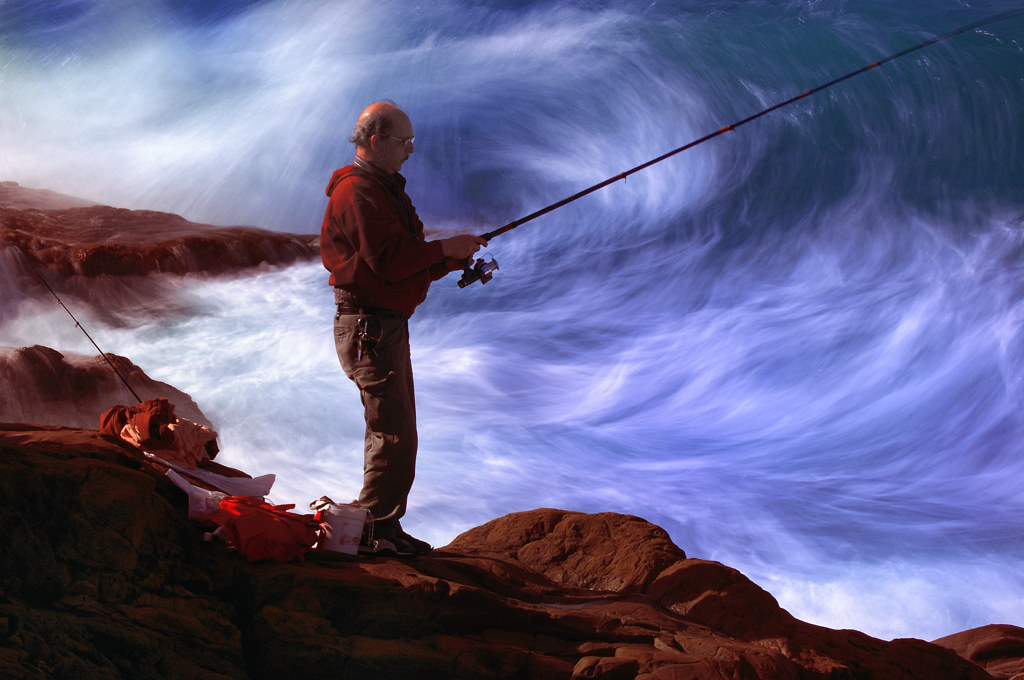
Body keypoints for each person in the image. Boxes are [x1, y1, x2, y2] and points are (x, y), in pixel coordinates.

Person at [320, 101, 486, 557]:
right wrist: (440, 250)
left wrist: (445, 261)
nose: (411, 150)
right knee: (393, 433)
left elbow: (398, 262)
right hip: (369, 328)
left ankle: (382, 528)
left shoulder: (381, 189)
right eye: (404, 141)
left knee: (396, 431)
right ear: (375, 142)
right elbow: (389, 262)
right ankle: (371, 534)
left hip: (380, 325)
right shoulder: (357, 193)